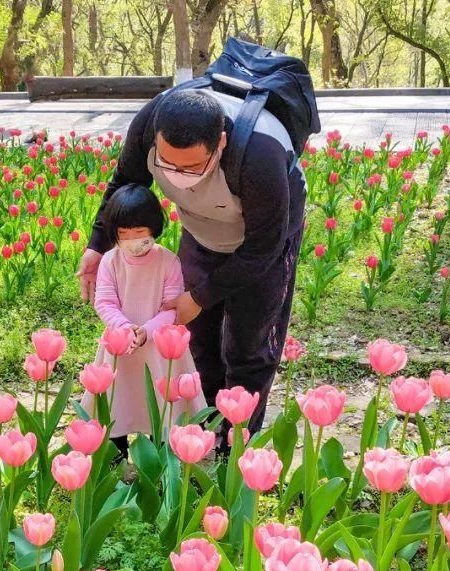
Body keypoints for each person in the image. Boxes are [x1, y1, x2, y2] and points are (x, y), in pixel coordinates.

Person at [76, 88, 305, 433]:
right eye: (168, 164)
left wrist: (201, 296)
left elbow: (262, 248)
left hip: (264, 241)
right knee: (194, 337)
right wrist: (97, 245)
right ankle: (201, 431)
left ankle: (237, 442)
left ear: (222, 143)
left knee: (248, 345)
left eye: (194, 166)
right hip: (200, 230)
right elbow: (126, 181)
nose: (179, 175)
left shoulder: (261, 155)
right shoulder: (149, 124)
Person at [80, 184, 206, 452]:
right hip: (119, 347)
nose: (132, 240)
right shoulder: (110, 262)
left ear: (153, 229)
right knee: (117, 400)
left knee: (159, 403)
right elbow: (104, 301)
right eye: (123, 234)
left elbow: (171, 308)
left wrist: (146, 331)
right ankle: (116, 459)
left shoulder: (168, 262)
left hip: (160, 348)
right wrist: (125, 328)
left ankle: (157, 458)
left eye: (139, 233)